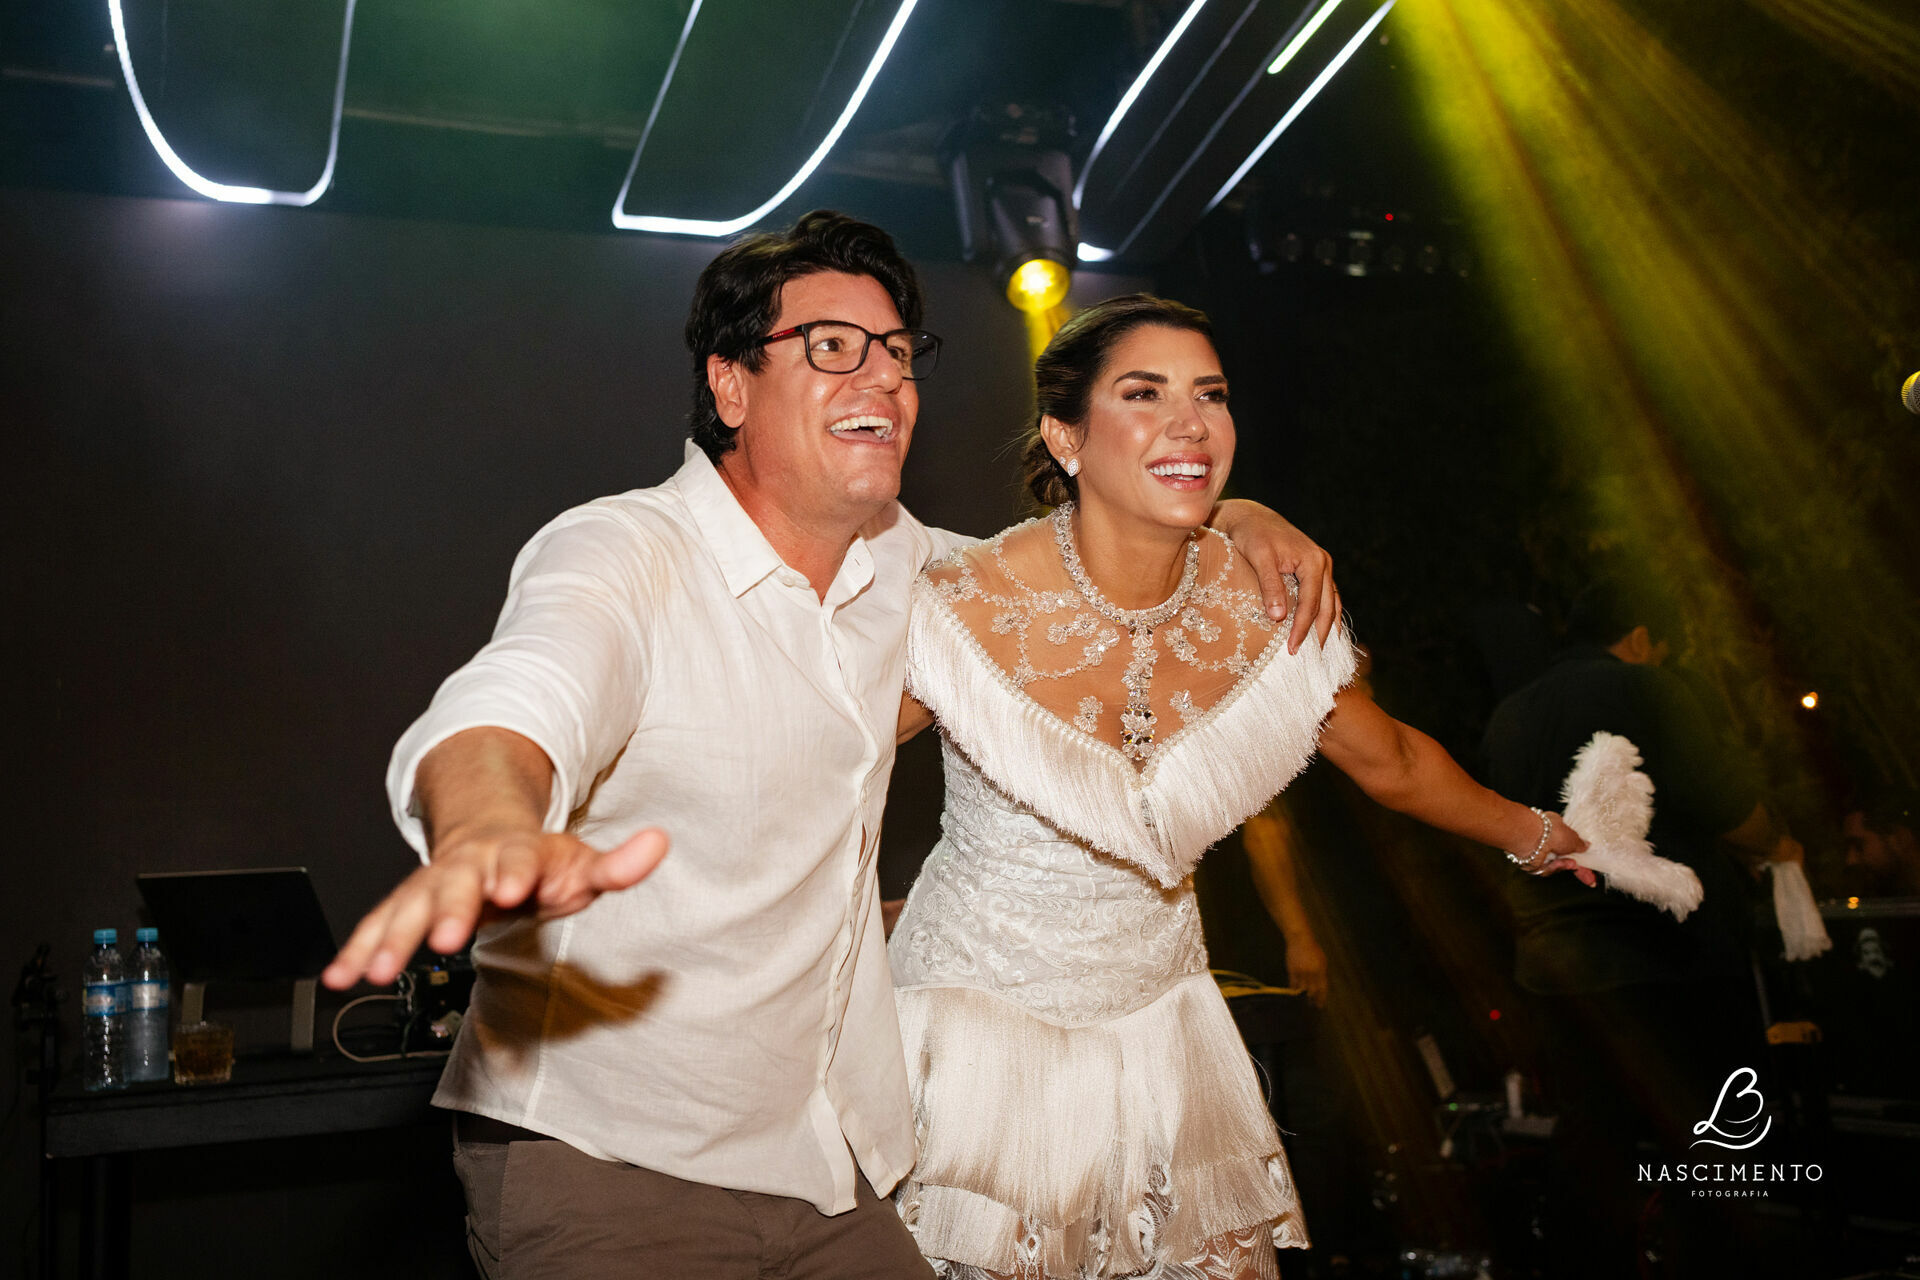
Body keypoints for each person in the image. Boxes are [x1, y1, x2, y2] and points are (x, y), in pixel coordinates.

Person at [320, 214, 1342, 1279]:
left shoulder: (925, 570)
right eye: (831, 346)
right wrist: (488, 823)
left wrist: (1235, 519)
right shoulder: (625, 553)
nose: (884, 378)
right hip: (615, 1169)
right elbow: (518, 700)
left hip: (832, 1173)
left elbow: (1100, 551)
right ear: (729, 384)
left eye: (898, 352)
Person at [885, 295, 1592, 1280]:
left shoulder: (1259, 604)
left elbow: (1389, 758)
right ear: (1067, 435)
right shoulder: (967, 599)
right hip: (974, 1032)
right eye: (1145, 392)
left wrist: (1541, 831)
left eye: (1209, 394)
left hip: (1163, 1034)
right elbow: (824, 767)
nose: (1191, 420)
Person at [1480, 573, 1804, 1280]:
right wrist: (1780, 846)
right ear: (1638, 637)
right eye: (1661, 647)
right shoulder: (1648, 690)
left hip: (1557, 967)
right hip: (1666, 961)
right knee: (1710, 1155)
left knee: (1592, 1157)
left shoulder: (1509, 714)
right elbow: (1732, 809)